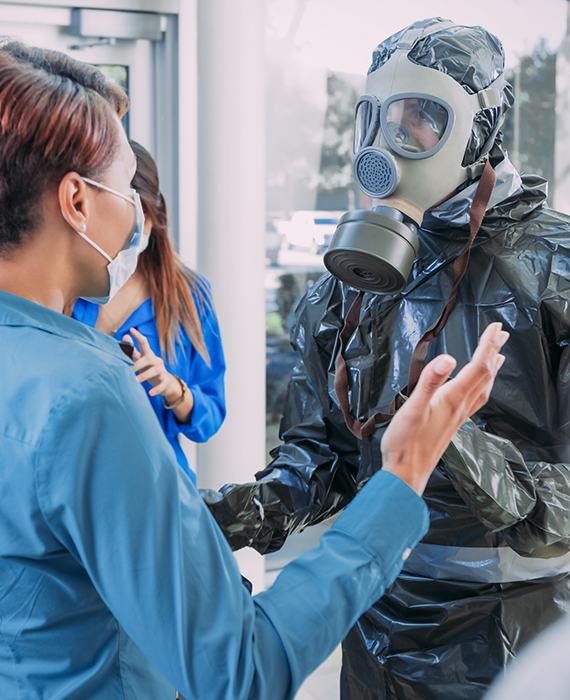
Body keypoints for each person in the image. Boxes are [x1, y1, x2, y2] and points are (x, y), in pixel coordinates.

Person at [0, 40, 507, 699]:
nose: (136, 211)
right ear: (76, 200)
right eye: (126, 187)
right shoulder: (86, 392)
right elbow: (238, 672)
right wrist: (403, 473)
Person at [203, 18, 570, 700]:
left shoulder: (557, 270)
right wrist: (223, 516)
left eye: (419, 119)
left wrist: (452, 444)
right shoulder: (349, 285)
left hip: (519, 638)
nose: (385, 148)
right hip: (375, 622)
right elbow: (324, 457)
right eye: (374, 117)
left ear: (483, 127)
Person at [70, 140, 225, 484]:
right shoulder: (69, 286)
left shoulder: (189, 296)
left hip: (157, 487)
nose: (125, 235)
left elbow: (210, 415)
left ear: (155, 219)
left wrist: (172, 388)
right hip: (76, 484)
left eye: (137, 222)